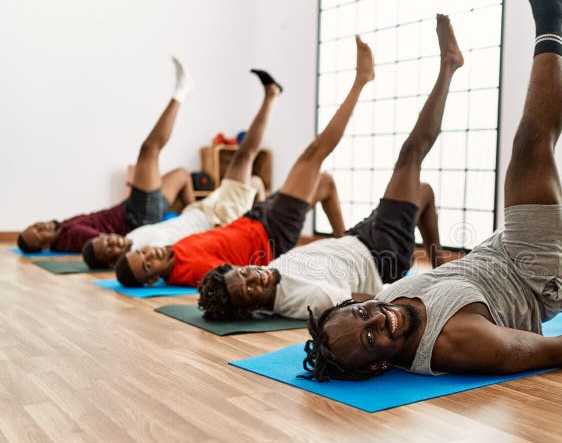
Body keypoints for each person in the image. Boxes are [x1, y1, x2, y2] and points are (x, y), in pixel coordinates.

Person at [302, 0, 562, 383]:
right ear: (378, 364)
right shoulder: (457, 343)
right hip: (533, 276)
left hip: (496, 251)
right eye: (371, 337)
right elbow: (547, 350)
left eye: (362, 314)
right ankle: (551, 17)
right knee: (531, 148)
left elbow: (347, 304)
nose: (377, 319)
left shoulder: (377, 304)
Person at [195, 15, 461, 321]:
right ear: (252, 308)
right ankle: (450, 65)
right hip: (378, 255)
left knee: (422, 193)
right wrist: (420, 303)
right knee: (409, 157)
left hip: (356, 241)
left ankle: (441, 271)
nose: (258, 277)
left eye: (246, 274)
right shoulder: (307, 299)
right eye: (251, 289)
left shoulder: (271, 274)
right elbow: (368, 300)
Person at [114, 36, 374, 288]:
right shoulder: (189, 269)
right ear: (151, 280)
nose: (151, 255)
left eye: (144, 253)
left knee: (325, 182)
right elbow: (236, 278)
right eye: (147, 265)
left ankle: (347, 250)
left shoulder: (173, 250)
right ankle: (361, 81)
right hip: (269, 234)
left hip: (253, 220)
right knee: (313, 155)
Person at [82, 68, 284, 269]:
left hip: (200, 210)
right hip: (218, 219)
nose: (112, 241)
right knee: (243, 157)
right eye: (109, 248)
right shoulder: (145, 254)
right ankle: (271, 95)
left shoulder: (131, 237)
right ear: (111, 262)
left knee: (254, 180)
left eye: (106, 239)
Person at [17, 57, 196, 254]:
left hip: (132, 209)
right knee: (148, 151)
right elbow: (102, 243)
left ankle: (196, 223)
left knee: (182, 174)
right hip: (136, 216)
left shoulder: (64, 227)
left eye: (35, 226)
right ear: (44, 245)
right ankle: (181, 91)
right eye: (39, 234)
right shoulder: (70, 236)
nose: (42, 227)